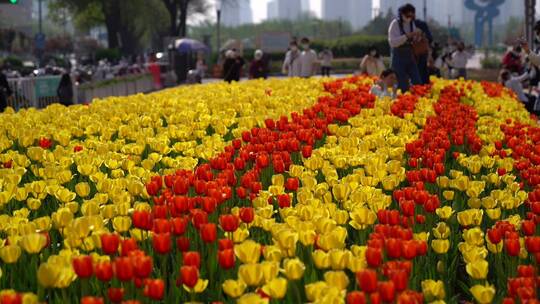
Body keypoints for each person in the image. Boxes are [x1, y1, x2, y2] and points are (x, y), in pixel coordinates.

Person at [388, 3, 422, 92]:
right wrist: (407, 36)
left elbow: (415, 39)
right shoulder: (395, 24)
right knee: (402, 84)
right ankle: (403, 102)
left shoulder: (412, 24)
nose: (409, 18)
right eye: (407, 15)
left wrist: (418, 35)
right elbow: (393, 42)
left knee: (417, 81)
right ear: (402, 14)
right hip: (398, 55)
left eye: (411, 16)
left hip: (410, 55)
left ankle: (418, 99)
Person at [414, 18, 433, 84]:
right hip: (415, 59)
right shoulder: (412, 41)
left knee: (422, 75)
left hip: (421, 59)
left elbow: (428, 48)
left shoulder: (424, 40)